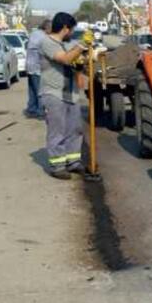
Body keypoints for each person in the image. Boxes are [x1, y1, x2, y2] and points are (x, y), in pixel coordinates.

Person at [38, 12, 93, 180]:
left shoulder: (67, 43)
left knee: (75, 129)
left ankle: (73, 162)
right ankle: (58, 166)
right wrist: (82, 45)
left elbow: (77, 61)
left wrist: (85, 58)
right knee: (57, 131)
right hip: (53, 94)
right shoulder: (47, 43)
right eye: (71, 29)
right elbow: (65, 59)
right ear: (64, 28)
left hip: (72, 94)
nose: (72, 33)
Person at [25, 19, 51, 118]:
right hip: (37, 67)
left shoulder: (34, 33)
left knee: (32, 90)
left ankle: (31, 109)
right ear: (47, 28)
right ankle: (40, 112)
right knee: (40, 91)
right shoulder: (43, 37)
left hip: (29, 66)